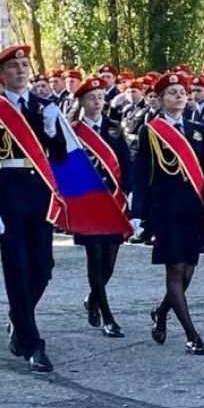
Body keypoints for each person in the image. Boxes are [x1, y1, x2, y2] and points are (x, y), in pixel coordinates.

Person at [0, 44, 68, 372]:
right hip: (9, 198)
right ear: (2, 74)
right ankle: (31, 342)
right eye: (13, 67)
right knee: (18, 270)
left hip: (40, 197)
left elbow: (58, 157)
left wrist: (53, 129)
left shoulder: (44, 106)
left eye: (25, 65)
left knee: (43, 268)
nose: (20, 71)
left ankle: (18, 318)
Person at [131, 73, 204, 356]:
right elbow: (140, 173)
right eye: (171, 92)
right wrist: (136, 213)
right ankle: (192, 335)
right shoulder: (151, 131)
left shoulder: (197, 129)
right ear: (160, 100)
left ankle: (161, 311)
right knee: (175, 269)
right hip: (166, 210)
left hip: (194, 208)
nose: (179, 96)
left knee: (188, 271)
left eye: (182, 91)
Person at [72, 77, 133, 338]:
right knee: (94, 258)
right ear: (82, 102)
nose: (97, 102)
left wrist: (130, 193)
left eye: (100, 97)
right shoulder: (73, 131)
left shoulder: (114, 129)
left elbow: (125, 162)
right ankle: (107, 315)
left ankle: (93, 297)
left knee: (109, 260)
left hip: (112, 201)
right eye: (91, 98)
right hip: (87, 202)